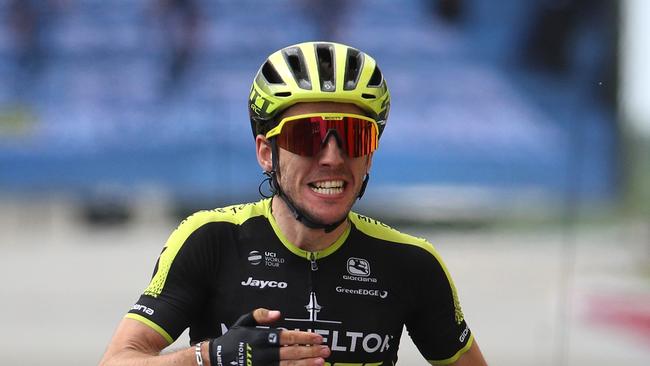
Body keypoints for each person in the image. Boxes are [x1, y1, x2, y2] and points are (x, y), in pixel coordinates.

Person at [100, 41, 487, 366]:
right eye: (307, 136)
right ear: (267, 153)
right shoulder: (211, 240)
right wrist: (211, 357)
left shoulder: (411, 263)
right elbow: (118, 361)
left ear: (370, 156)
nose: (332, 157)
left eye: (354, 137)